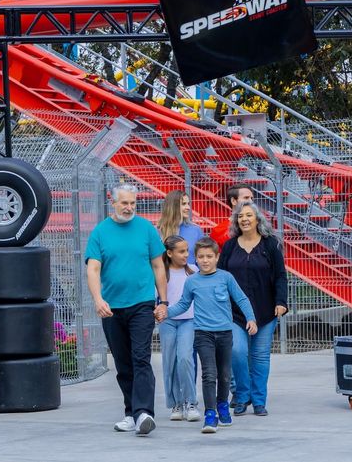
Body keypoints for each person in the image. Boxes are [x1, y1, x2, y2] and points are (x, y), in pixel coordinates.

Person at [85, 184, 168, 436]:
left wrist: (163, 301)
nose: (129, 207)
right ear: (112, 202)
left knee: (141, 357)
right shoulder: (100, 232)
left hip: (142, 303)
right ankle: (131, 412)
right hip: (112, 308)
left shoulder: (146, 229)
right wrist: (98, 299)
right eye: (124, 203)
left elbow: (158, 266)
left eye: (133, 203)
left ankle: (144, 413)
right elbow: (93, 269)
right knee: (122, 362)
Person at [167, 237, 257, 434]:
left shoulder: (226, 278)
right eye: (201, 257)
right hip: (203, 334)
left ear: (217, 257)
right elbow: (183, 304)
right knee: (209, 374)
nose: (205, 260)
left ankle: (222, 405)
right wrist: (165, 312)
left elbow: (241, 299)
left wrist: (251, 318)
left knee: (224, 374)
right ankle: (210, 414)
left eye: (209, 256)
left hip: (225, 333)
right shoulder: (192, 281)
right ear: (196, 258)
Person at [218, 202, 288, 416]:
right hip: (235, 313)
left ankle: (259, 401)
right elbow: (220, 277)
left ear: (258, 219)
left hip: (265, 311)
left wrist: (281, 302)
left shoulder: (271, 245)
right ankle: (242, 395)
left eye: (249, 215)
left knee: (260, 356)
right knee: (237, 351)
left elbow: (280, 276)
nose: (244, 219)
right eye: (240, 216)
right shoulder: (229, 246)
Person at [157, 234, 200, 422]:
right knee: (170, 362)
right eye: (181, 251)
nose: (186, 255)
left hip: (188, 321)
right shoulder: (161, 273)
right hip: (167, 322)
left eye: (187, 251)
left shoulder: (194, 271)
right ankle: (176, 403)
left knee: (184, 358)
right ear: (169, 253)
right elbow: (156, 298)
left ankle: (191, 402)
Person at [158, 190, 203, 264]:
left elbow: (202, 258)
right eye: (184, 204)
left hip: (191, 271)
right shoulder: (157, 231)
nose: (188, 207)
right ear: (173, 206)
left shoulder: (196, 230)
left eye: (188, 204)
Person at [209, 183, 254, 249]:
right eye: (246, 198)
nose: (251, 201)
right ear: (233, 201)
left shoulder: (260, 226)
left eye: (252, 198)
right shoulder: (218, 231)